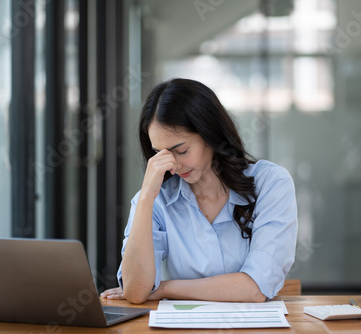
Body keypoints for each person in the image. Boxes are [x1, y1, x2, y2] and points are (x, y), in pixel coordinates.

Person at [100, 78, 298, 304]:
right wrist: (146, 197)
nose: (172, 165)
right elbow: (136, 292)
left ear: (210, 135)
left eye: (181, 150)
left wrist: (165, 288)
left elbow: (254, 289)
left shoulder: (271, 183)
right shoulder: (155, 200)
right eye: (160, 154)